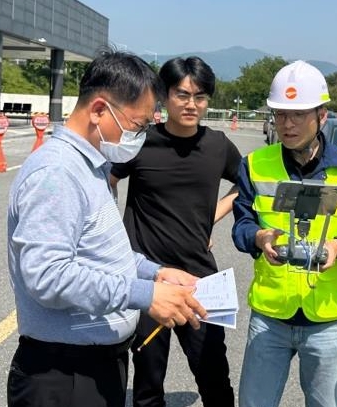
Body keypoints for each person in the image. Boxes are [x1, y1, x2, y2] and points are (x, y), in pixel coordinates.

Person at [6, 49, 207, 407]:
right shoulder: (57, 173)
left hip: (95, 365)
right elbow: (47, 275)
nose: (140, 136)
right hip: (64, 375)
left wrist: (155, 273)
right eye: (138, 125)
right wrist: (145, 295)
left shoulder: (91, 166)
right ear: (99, 110)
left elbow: (99, 252)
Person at [232, 60, 337, 407]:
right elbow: (242, 223)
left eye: (298, 115)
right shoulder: (255, 165)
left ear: (322, 116)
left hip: (326, 318)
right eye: (280, 114)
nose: (287, 124)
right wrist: (258, 238)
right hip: (270, 316)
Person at [110, 56, 241, 407]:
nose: (191, 104)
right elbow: (107, 180)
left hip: (199, 278)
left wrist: (211, 217)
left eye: (200, 96)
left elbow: (246, 184)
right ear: (164, 96)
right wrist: (110, 236)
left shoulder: (218, 145)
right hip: (148, 280)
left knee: (214, 375)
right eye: (182, 94)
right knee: (148, 379)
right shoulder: (141, 141)